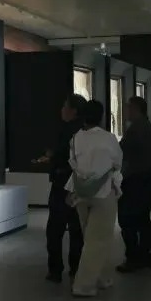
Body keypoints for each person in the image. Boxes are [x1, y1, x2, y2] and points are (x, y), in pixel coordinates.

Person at [66, 99, 123, 298]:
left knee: (90, 237)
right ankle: (84, 285)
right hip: (104, 192)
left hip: (81, 192)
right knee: (98, 240)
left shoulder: (76, 138)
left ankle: (102, 277)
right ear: (101, 116)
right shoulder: (109, 138)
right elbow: (117, 162)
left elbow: (73, 163)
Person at [45, 93, 88, 283]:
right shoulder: (85, 131)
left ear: (73, 111)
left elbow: (62, 154)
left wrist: (52, 156)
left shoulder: (68, 131)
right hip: (79, 185)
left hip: (63, 183)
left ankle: (55, 269)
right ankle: (76, 267)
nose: (62, 110)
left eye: (65, 106)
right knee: (76, 228)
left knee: (55, 229)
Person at [117, 95, 151, 273]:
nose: (126, 110)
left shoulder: (136, 130)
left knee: (128, 219)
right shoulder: (147, 127)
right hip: (145, 178)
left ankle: (133, 257)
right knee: (143, 219)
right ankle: (145, 256)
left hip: (134, 180)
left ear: (136, 109)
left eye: (128, 107)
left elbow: (122, 151)